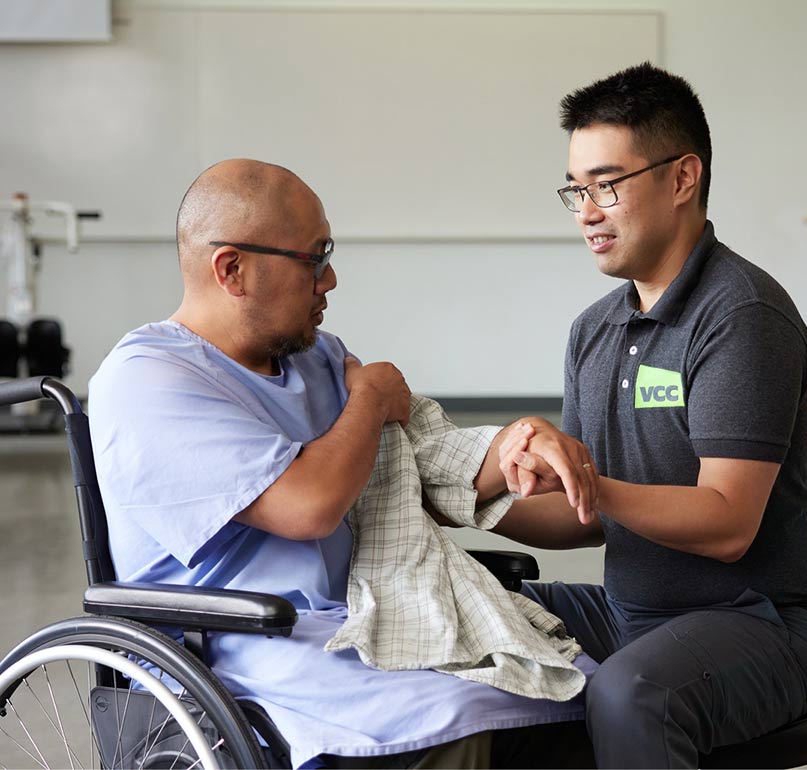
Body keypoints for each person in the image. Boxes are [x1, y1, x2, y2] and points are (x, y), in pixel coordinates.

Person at [87, 158, 590, 770]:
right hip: (240, 646)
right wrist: (372, 397)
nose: (331, 280)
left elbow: (420, 459)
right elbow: (311, 505)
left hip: (354, 620)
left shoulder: (318, 358)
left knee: (570, 693)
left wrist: (512, 447)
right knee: (450, 719)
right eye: (314, 258)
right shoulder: (148, 380)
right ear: (232, 269)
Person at [487, 62, 807, 768]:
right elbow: (580, 516)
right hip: (633, 615)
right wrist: (459, 503)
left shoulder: (742, 315)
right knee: (469, 617)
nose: (587, 210)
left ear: (683, 177)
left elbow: (728, 523)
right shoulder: (595, 329)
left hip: (761, 623)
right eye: (577, 189)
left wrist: (588, 480)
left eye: (607, 185)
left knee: (630, 695)